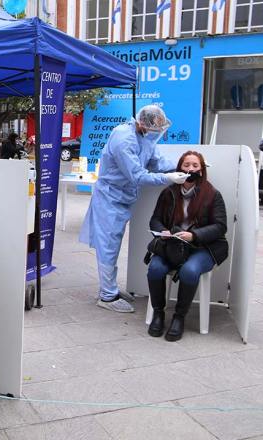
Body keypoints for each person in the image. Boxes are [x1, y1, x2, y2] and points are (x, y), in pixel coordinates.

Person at [79, 105, 188, 313]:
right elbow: (137, 175)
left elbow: (156, 162)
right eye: (155, 127)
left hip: (123, 197)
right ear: (143, 123)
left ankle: (110, 287)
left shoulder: (144, 137)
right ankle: (107, 296)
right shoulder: (124, 139)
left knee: (113, 245)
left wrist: (181, 166)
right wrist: (167, 178)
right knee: (108, 246)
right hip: (110, 198)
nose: (157, 132)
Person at [146, 151, 228, 341]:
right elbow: (155, 220)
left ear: (202, 170)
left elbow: (220, 226)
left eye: (195, 165)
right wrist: (163, 231)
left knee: (189, 271)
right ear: (179, 169)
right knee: (155, 268)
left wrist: (194, 236)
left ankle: (179, 317)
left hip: (203, 247)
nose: (190, 169)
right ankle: (158, 313)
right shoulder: (168, 193)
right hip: (173, 245)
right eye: (186, 165)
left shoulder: (212, 194)